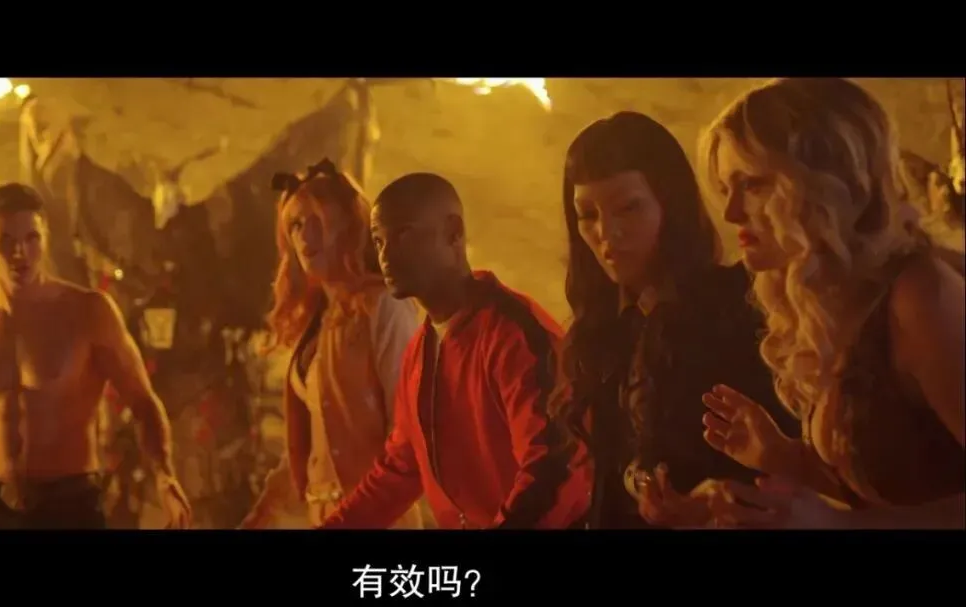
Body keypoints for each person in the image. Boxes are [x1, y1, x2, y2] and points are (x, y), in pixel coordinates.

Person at [697, 77, 964, 528]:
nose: (731, 213)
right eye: (727, 188)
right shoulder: (841, 302)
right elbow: (901, 491)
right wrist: (786, 459)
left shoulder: (921, 296)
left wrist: (836, 524)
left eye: (754, 185)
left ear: (824, 182)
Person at [0, 183, 191, 529]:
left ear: (45, 237)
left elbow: (142, 401)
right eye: (7, 242)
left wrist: (165, 475)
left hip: (69, 509)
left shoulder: (88, 311)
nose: (21, 253)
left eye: (32, 238)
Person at [549, 112, 799, 529]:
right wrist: (641, 483)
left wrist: (705, 504)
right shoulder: (605, 327)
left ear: (669, 203)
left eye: (629, 208)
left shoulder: (738, 309)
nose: (607, 234)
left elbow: (781, 472)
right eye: (588, 215)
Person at [318, 173, 588, 529]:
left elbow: (555, 466)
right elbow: (400, 468)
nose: (386, 255)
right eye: (379, 241)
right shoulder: (420, 351)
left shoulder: (515, 335)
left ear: (454, 232)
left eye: (403, 235)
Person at [238, 159, 424, 529]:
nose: (304, 236)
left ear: (350, 225)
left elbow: (407, 441)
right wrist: (263, 511)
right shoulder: (317, 321)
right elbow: (316, 446)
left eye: (317, 220)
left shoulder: (385, 308)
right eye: (295, 225)